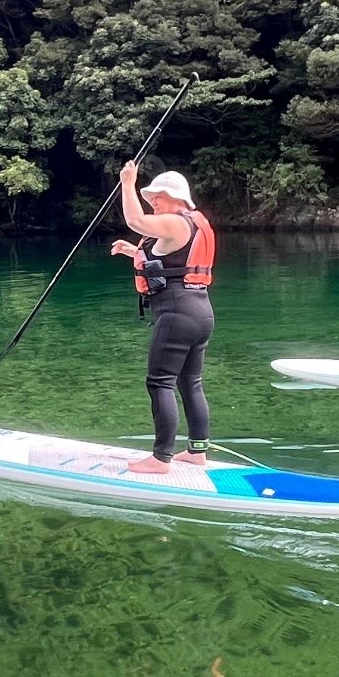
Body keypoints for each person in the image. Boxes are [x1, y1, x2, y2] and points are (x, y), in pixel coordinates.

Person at [108, 161, 216, 474]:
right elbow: (169, 262)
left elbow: (135, 220)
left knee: (159, 382)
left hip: (178, 313)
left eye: (159, 196)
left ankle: (160, 458)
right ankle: (197, 451)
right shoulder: (191, 225)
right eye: (151, 195)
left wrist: (128, 184)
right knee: (190, 382)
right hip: (201, 311)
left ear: (178, 198)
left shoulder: (176, 221)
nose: (153, 200)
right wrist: (134, 252)